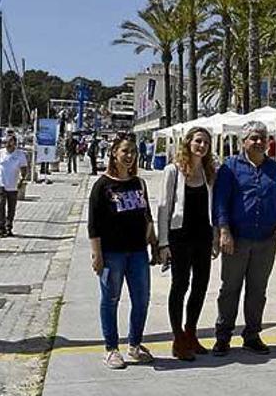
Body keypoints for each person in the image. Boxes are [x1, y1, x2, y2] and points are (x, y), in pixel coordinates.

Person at [213, 121, 276, 356]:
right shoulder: (230, 168)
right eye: (253, 138)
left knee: (258, 290)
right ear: (243, 141)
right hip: (236, 239)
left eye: (262, 138)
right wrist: (224, 231)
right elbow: (220, 202)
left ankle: (252, 335)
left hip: (266, 240)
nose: (258, 142)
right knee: (230, 288)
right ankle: (223, 336)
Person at [87, 135, 154, 369]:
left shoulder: (139, 183)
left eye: (133, 152)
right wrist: (97, 254)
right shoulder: (102, 186)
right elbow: (93, 224)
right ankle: (111, 349)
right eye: (125, 151)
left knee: (142, 299)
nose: (129, 156)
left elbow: (146, 215)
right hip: (112, 253)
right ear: (114, 152)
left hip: (138, 252)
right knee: (111, 299)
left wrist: (154, 242)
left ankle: (135, 345)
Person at [157, 127, 217, 361]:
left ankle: (191, 331)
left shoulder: (209, 172)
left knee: (200, 286)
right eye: (198, 141)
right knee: (179, 286)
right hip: (179, 237)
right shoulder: (173, 171)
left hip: (203, 237)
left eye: (206, 143)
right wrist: (163, 243)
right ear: (188, 142)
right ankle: (178, 337)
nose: (202, 146)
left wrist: (214, 239)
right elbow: (164, 208)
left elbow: (213, 208)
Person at [0, 135, 29, 238]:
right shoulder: (0, 153)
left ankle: (9, 227)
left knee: (11, 208)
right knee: (0, 205)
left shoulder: (20, 154)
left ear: (15, 143)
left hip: (13, 185)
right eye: (6, 142)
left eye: (10, 142)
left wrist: (22, 180)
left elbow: (24, 169)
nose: (7, 144)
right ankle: (1, 228)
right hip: (0, 183)